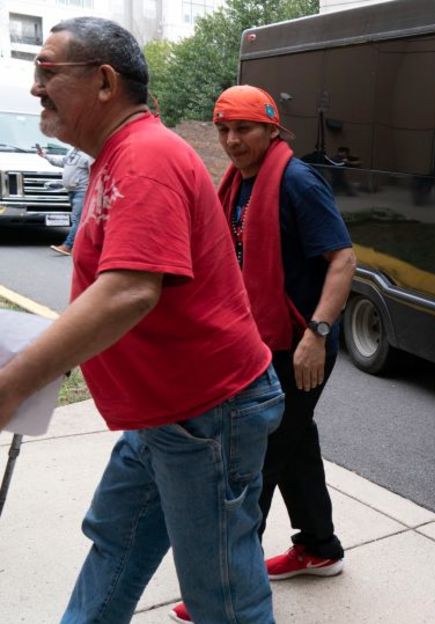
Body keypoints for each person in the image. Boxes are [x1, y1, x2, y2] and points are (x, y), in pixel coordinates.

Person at [0, 17, 283, 623]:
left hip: (208, 415)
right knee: (116, 544)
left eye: (47, 71)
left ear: (104, 82)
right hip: (170, 414)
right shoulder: (117, 155)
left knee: (223, 599)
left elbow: (129, 292)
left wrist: (14, 384)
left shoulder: (146, 155)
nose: (34, 88)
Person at [166, 85, 358, 623]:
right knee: (294, 446)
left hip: (299, 346)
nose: (231, 140)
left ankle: (225, 588)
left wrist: (317, 333)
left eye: (243, 128)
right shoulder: (237, 184)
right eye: (224, 128)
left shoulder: (297, 182)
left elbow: (343, 260)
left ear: (272, 129)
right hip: (259, 342)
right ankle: (319, 546)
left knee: (256, 463)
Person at [38, 143, 92, 255]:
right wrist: (45, 156)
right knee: (81, 220)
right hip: (72, 192)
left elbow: (95, 170)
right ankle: (84, 246)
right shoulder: (73, 150)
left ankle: (67, 246)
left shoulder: (89, 153)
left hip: (82, 191)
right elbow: (62, 162)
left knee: (78, 220)